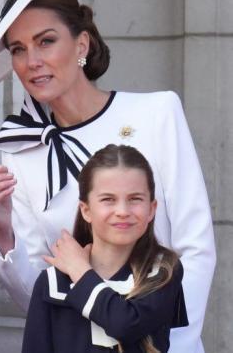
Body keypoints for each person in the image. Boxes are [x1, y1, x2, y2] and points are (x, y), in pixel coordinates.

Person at [0, 0, 215, 352]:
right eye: (18, 49)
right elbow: (36, 293)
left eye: (46, 41)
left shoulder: (156, 114)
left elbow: (194, 247)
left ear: (81, 44)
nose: (32, 61)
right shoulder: (21, 149)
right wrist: (3, 232)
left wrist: (167, 345)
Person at [22, 144, 188, 352]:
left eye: (135, 199)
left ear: (151, 209)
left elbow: (125, 324)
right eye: (108, 199)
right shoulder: (53, 283)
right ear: (86, 210)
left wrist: (81, 273)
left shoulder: (163, 272)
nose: (122, 211)